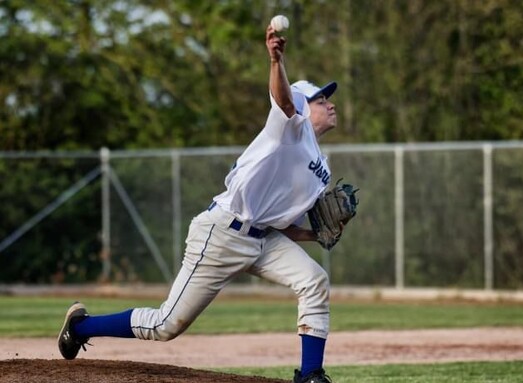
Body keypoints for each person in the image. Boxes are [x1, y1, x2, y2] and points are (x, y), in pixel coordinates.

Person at [58, 22, 339, 383]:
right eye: (321, 99)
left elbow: (281, 222)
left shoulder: (323, 170)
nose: (329, 104)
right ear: (303, 105)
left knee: (314, 280)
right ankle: (82, 327)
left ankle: (311, 375)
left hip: (263, 238)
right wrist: (275, 60)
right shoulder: (290, 126)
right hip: (223, 232)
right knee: (166, 324)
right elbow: (283, 98)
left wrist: (316, 235)